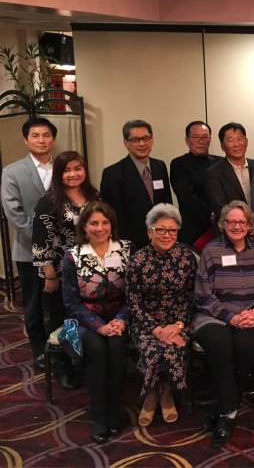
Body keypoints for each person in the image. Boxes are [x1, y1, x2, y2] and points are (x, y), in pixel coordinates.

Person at [191, 200, 254, 448]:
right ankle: (228, 413)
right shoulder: (211, 252)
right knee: (222, 346)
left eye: (242, 221)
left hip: (252, 315)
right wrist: (230, 317)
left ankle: (227, 405)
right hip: (213, 316)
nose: (237, 226)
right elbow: (203, 295)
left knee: (246, 348)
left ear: (250, 225)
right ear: (223, 225)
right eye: (231, 221)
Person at [61, 201, 131, 444]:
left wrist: (121, 320)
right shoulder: (73, 256)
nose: (100, 228)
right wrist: (98, 326)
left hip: (119, 318)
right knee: (98, 348)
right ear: (85, 226)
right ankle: (100, 414)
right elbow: (70, 303)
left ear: (111, 225)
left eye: (105, 222)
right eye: (94, 223)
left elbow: (133, 296)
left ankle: (113, 408)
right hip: (81, 320)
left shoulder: (125, 250)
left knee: (116, 347)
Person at [32, 149, 99, 389]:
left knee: (86, 314)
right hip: (59, 271)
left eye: (77, 169)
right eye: (67, 170)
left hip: (90, 269)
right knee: (61, 318)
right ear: (59, 174)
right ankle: (62, 365)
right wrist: (49, 274)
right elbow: (40, 242)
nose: (73, 174)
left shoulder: (93, 195)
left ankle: (85, 359)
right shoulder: (49, 201)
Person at [125, 203, 196, 427]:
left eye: (172, 230)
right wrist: (155, 329)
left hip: (179, 322)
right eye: (161, 229)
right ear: (149, 232)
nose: (167, 235)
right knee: (155, 349)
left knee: (173, 346)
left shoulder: (187, 258)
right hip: (146, 324)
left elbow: (191, 296)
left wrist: (178, 324)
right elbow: (133, 302)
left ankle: (162, 393)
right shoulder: (137, 261)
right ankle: (157, 393)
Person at [1, 117, 58, 372]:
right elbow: (15, 214)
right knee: (34, 305)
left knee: (61, 305)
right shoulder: (12, 171)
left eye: (46, 135)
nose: (41, 140)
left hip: (63, 252)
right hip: (28, 252)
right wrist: (43, 245)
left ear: (53, 139)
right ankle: (39, 351)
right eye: (35, 136)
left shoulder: (65, 166)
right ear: (26, 139)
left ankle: (63, 350)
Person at [100, 119, 172, 249]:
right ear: (126, 143)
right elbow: (114, 216)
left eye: (146, 138)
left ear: (152, 140)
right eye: (135, 139)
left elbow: (167, 203)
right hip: (132, 243)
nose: (142, 143)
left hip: (161, 239)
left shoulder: (160, 166)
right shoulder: (113, 173)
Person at [169, 121, 221, 246]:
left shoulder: (220, 162)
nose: (201, 141)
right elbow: (186, 196)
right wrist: (211, 214)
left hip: (220, 226)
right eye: (195, 137)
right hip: (193, 228)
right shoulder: (178, 164)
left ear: (210, 139)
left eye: (204, 137)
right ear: (187, 140)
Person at [206, 122, 254, 222]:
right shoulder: (213, 173)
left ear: (246, 141)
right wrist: (247, 225)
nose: (236, 144)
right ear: (222, 146)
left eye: (239, 139)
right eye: (230, 140)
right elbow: (221, 209)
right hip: (232, 228)